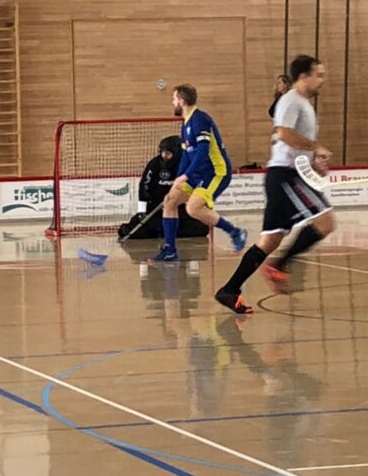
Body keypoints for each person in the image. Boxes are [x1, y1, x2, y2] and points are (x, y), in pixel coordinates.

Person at [215, 55, 335, 313]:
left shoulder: (303, 104)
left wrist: (312, 162)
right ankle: (279, 265)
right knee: (326, 222)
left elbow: (291, 144)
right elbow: (284, 134)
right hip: (286, 176)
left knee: (270, 240)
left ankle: (229, 290)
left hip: (287, 174)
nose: (322, 81)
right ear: (303, 76)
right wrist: (316, 147)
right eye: (319, 75)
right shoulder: (291, 100)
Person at [150, 85, 246, 263]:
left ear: (181, 101)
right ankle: (170, 250)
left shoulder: (200, 119)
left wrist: (186, 176)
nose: (173, 102)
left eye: (174, 99)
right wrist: (179, 178)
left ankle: (235, 232)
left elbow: (203, 150)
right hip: (197, 173)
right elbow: (187, 155)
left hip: (215, 172)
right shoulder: (186, 123)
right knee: (170, 200)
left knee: (193, 208)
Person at [117, 135, 206, 240]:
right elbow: (144, 187)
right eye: (163, 152)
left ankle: (165, 231)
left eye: (168, 153)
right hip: (155, 209)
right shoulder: (155, 164)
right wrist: (142, 211)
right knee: (131, 230)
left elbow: (197, 187)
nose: (164, 156)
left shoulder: (188, 166)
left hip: (180, 210)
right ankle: (163, 230)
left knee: (201, 228)